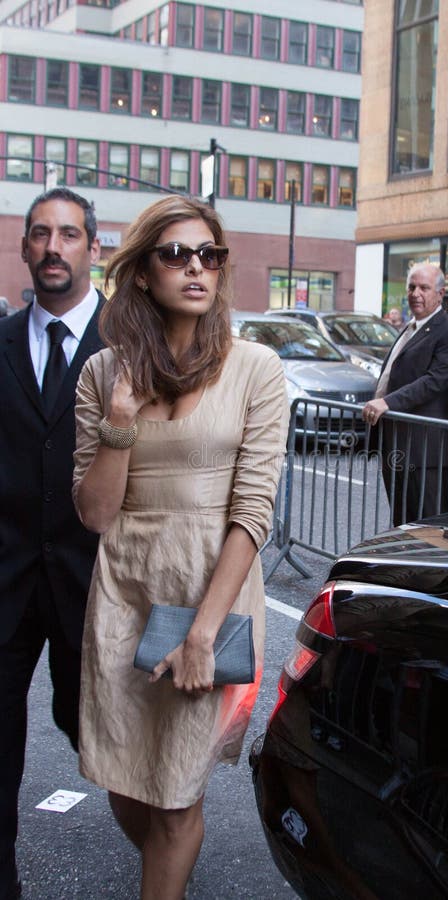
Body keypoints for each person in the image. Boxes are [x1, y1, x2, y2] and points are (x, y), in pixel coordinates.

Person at [72, 195, 288, 900]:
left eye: (210, 255)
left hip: (209, 594)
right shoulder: (104, 375)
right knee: (126, 782)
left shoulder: (255, 367)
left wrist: (202, 631)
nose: (197, 268)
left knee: (173, 796)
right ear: (140, 273)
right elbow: (96, 513)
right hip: (124, 592)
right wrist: (120, 423)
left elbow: (252, 512)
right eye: (176, 255)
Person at [0, 187, 104, 900]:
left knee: (99, 736)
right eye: (41, 234)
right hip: (5, 580)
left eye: (69, 235)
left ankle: (159, 862)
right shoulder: (1, 340)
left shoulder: (128, 342)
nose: (53, 247)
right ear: (25, 247)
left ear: (93, 249)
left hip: (96, 582)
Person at [362, 263, 448, 525]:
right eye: (411, 287)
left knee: (430, 524)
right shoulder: (411, 328)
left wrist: (387, 402)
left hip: (425, 447)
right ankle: (405, 566)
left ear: (441, 293)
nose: (416, 293)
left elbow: (434, 381)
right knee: (402, 521)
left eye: (424, 287)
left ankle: (435, 568)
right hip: (397, 442)